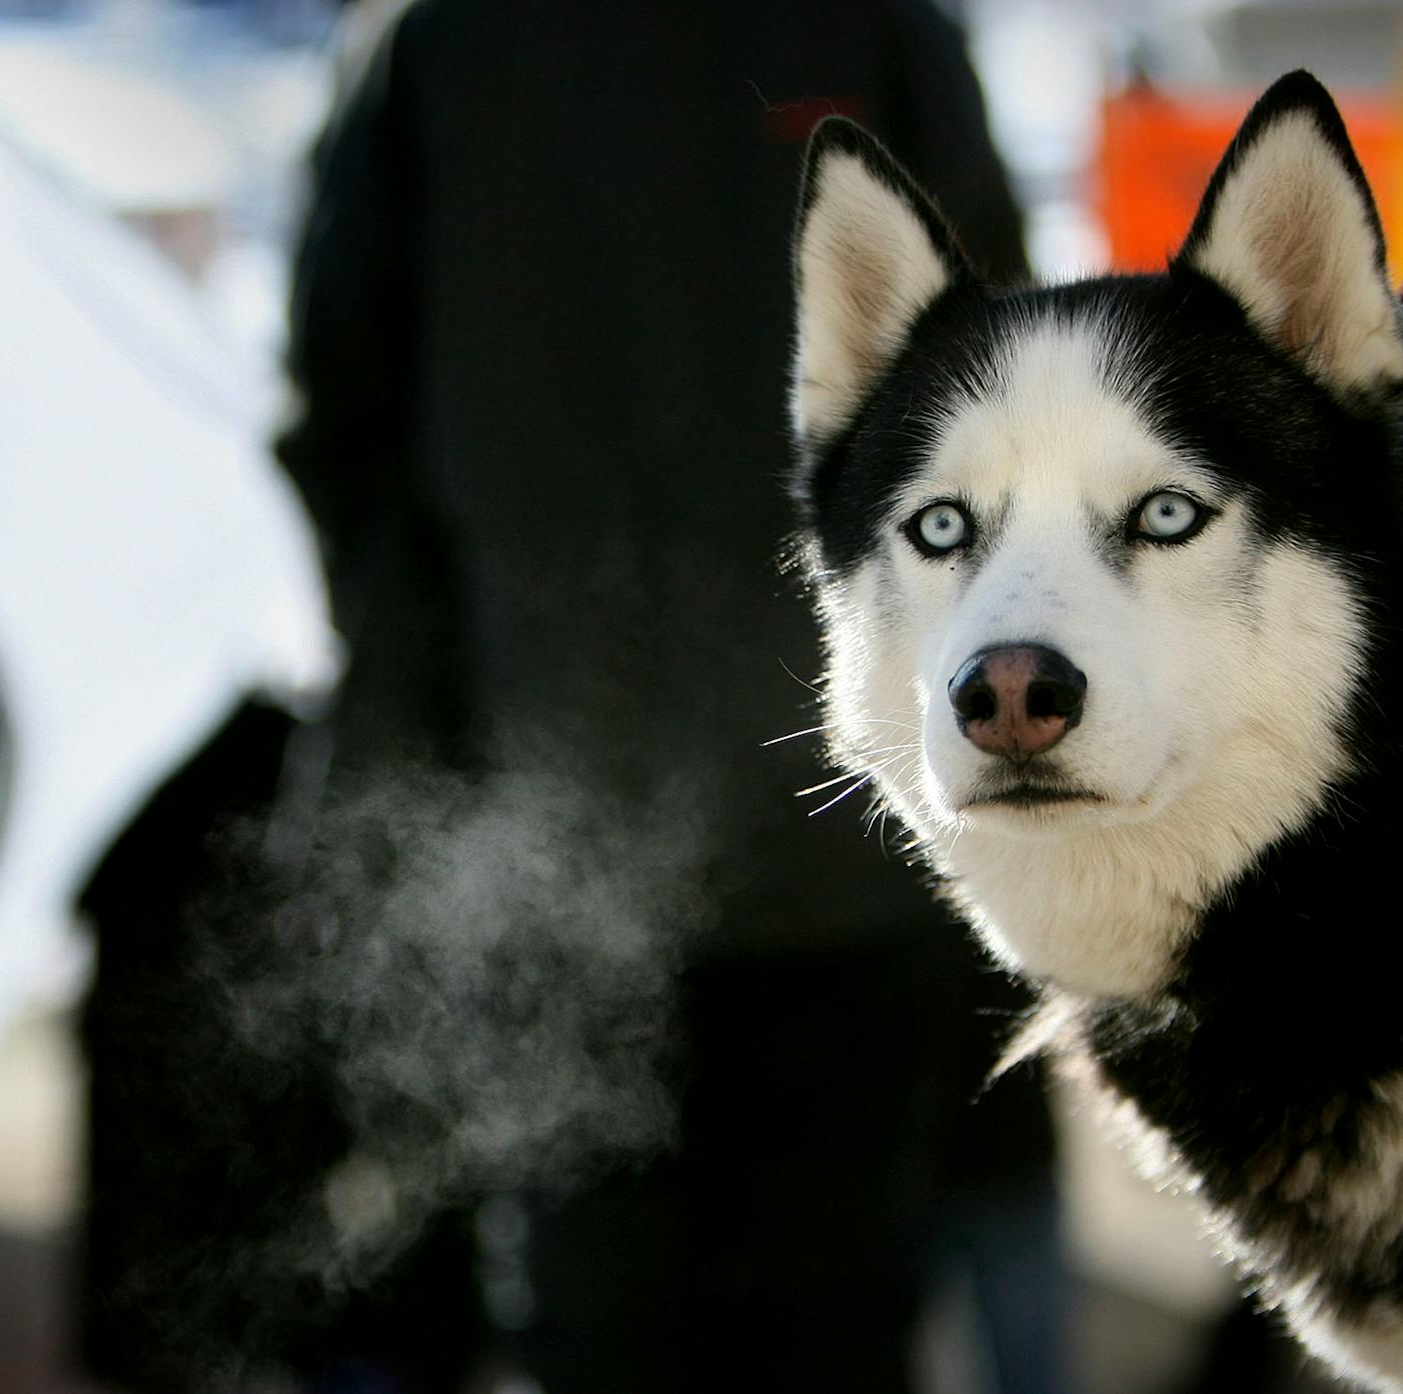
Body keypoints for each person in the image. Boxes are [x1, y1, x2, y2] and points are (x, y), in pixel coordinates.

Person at [81, 3, 1064, 1391]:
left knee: (596, 1319)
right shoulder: (872, 19)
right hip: (841, 830)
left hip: (550, 827)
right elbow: (1002, 378)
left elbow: (337, 404)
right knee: (832, 1316)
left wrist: (432, 691)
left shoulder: (437, 40)